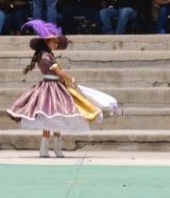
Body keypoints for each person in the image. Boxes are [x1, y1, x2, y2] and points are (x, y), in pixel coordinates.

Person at [6, 20, 114, 157]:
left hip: (56, 86)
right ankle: (45, 148)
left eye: (57, 42)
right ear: (46, 42)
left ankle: (56, 147)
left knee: (58, 117)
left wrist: (66, 80)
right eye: (54, 42)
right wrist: (70, 79)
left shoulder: (47, 55)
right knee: (50, 117)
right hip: (50, 88)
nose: (56, 44)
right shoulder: (46, 56)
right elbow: (58, 72)